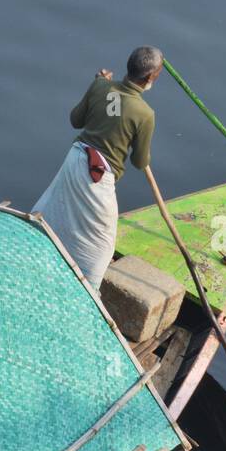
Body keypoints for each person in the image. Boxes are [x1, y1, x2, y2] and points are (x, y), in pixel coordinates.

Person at [32, 45, 163, 289]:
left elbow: (76, 120)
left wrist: (98, 89)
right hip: (97, 176)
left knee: (56, 214)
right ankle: (87, 290)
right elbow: (139, 162)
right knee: (102, 245)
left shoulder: (102, 86)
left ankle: (46, 261)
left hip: (75, 161)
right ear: (149, 77)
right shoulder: (145, 114)